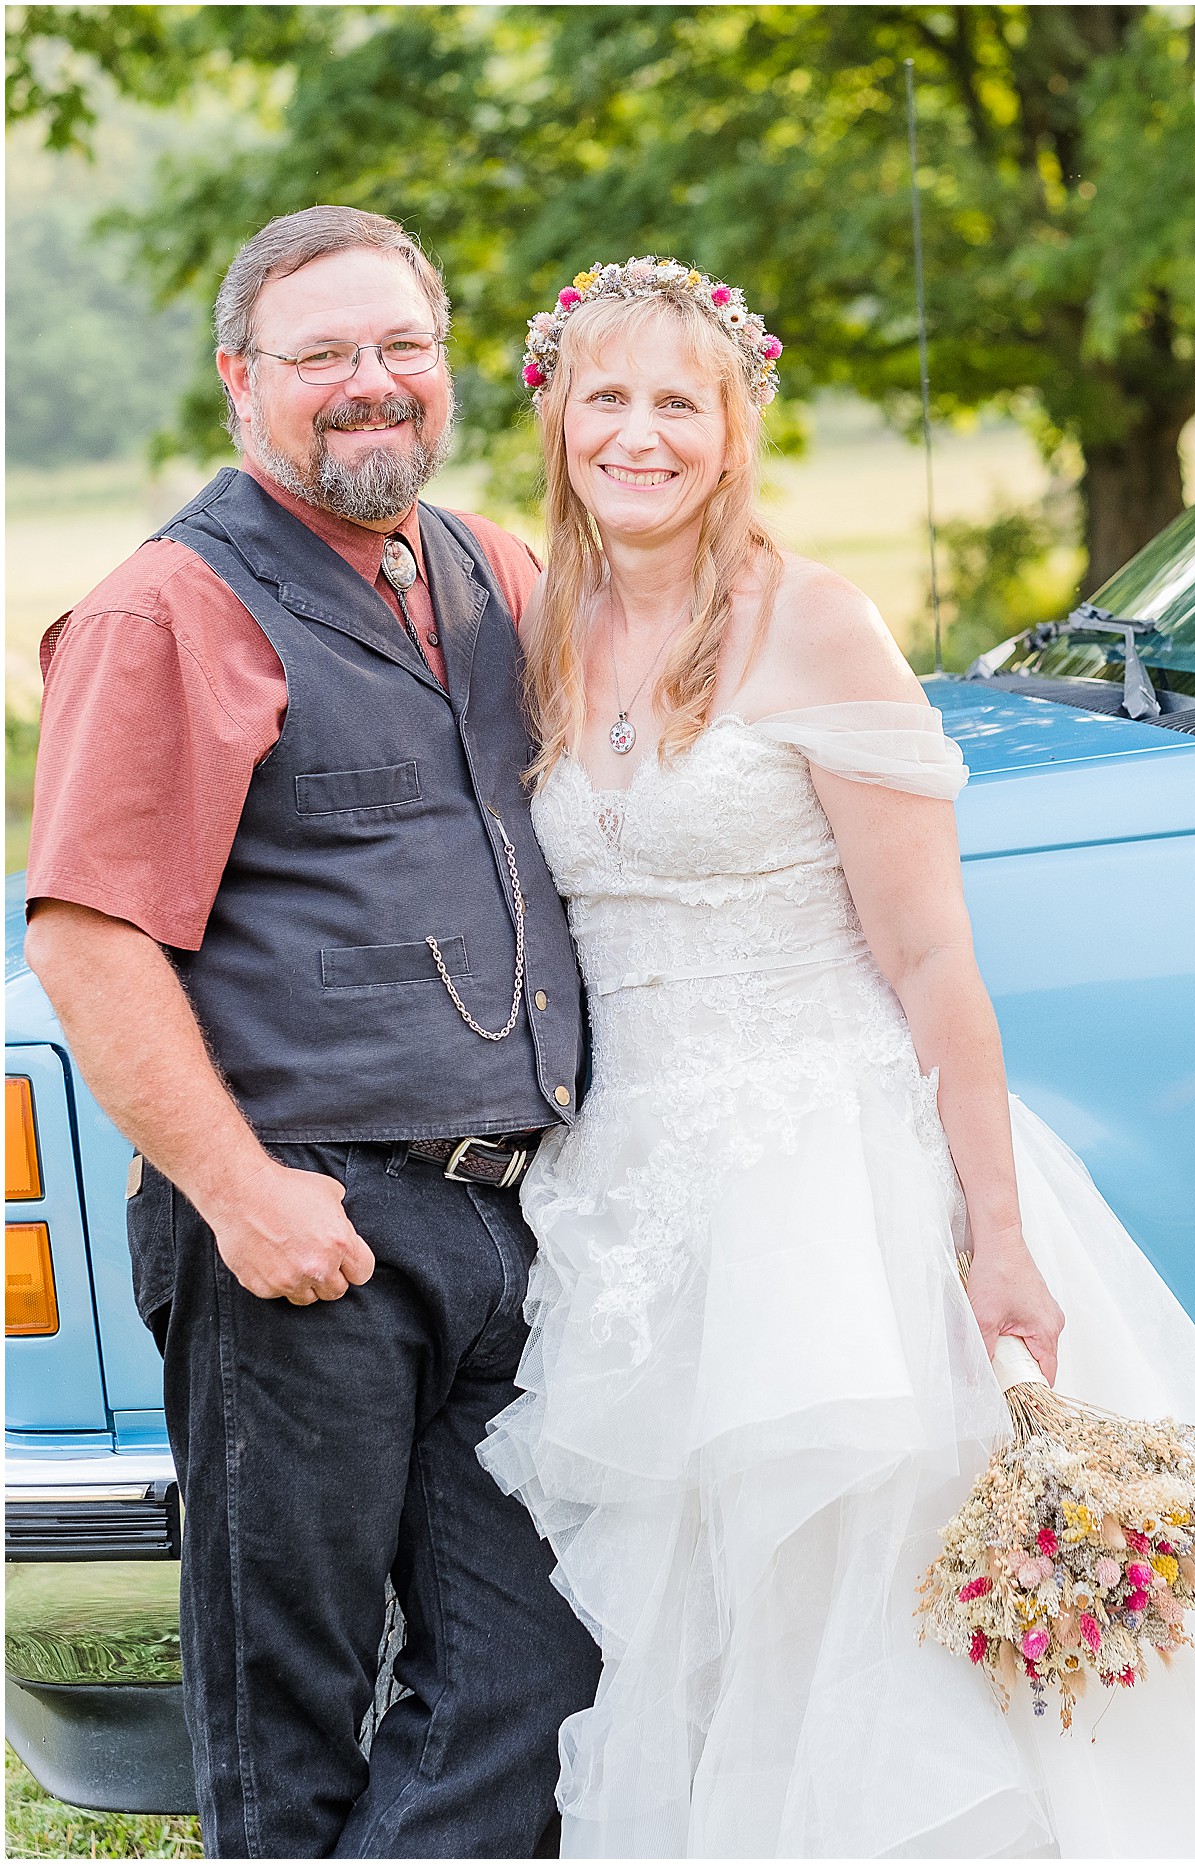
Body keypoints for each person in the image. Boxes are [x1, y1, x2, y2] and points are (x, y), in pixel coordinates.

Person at [476, 258, 1195, 1858]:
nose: (638, 434)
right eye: (604, 398)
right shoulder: (542, 631)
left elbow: (928, 956)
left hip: (833, 1190)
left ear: (733, 426)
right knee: (701, 1636)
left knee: (882, 1628)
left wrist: (1000, 1230)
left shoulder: (814, 622)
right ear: (555, 419)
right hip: (632, 1209)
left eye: (676, 403)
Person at [23, 205, 600, 1859]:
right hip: (304, 1232)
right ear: (240, 380)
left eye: (403, 348)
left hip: (512, 1227)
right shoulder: (171, 611)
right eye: (323, 355)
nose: (372, 385)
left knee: (538, 1674)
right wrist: (237, 1191)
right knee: (290, 1712)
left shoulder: (492, 568)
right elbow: (88, 936)